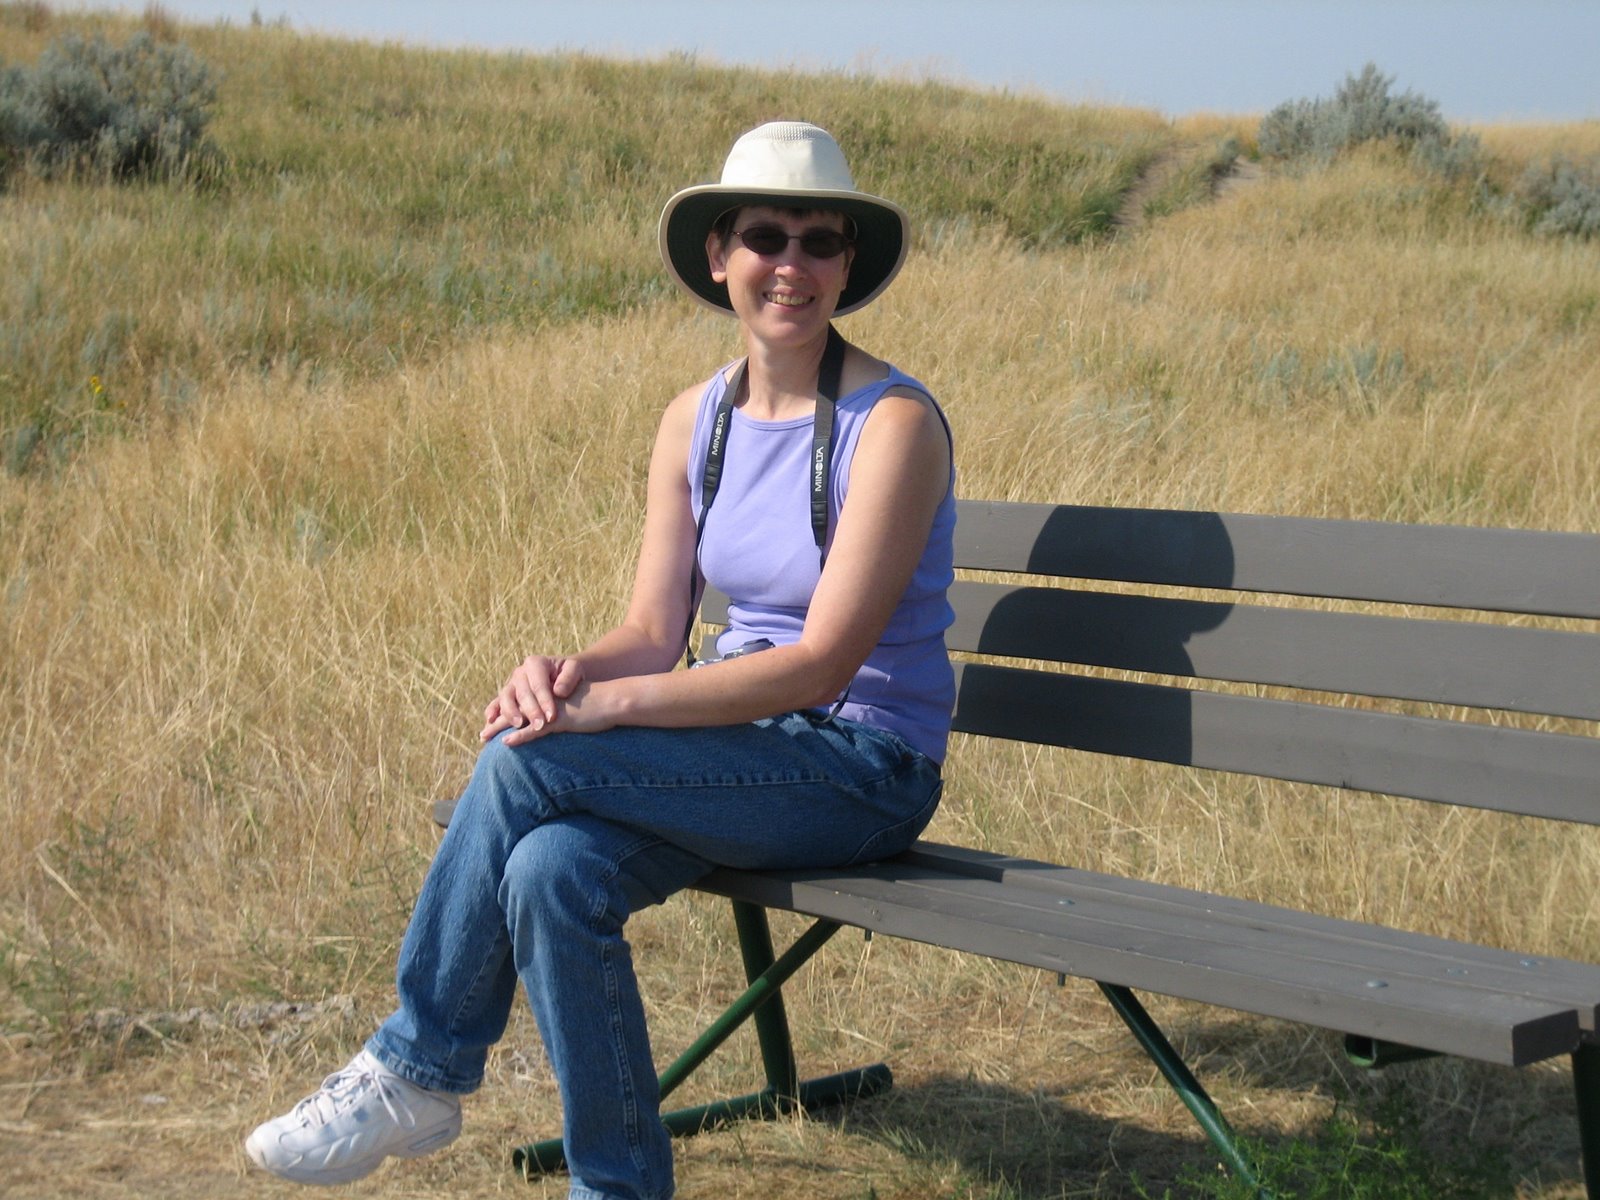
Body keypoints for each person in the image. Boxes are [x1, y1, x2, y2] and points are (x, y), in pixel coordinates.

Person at [244, 120, 957, 1200]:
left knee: (527, 761)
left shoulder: (890, 424)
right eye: (766, 237)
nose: (792, 265)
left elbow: (821, 666)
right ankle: (615, 1188)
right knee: (549, 869)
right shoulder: (695, 421)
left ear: (847, 264)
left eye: (821, 241)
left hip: (862, 770)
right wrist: (568, 672)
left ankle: (419, 1066)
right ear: (718, 254)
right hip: (743, 751)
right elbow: (650, 631)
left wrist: (604, 713)